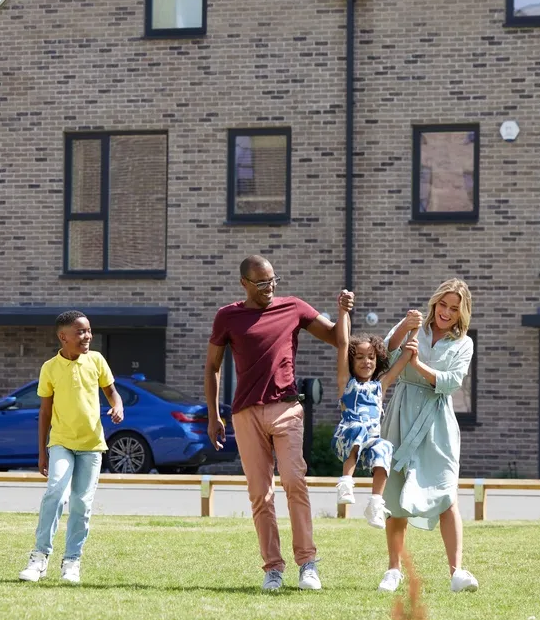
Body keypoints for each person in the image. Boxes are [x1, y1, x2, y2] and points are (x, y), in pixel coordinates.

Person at [205, 254, 355, 592]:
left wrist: (344, 312)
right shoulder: (227, 317)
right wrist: (214, 414)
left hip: (286, 408)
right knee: (260, 494)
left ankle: (308, 564)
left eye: (272, 281)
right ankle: (273, 569)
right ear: (244, 283)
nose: (269, 288)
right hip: (245, 413)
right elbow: (212, 366)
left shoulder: (293, 308)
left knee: (294, 481)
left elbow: (336, 338)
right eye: (261, 283)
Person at [378, 278, 479, 594]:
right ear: (434, 303)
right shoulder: (412, 328)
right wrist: (402, 329)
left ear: (462, 313)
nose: (446, 313)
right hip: (400, 415)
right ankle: (394, 570)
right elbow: (383, 357)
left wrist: (417, 364)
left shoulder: (463, 343)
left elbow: (451, 382)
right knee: (395, 497)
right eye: (443, 305)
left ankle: (457, 572)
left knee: (446, 495)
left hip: (438, 423)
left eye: (454, 308)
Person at [18, 311, 124, 585]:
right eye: (80, 332)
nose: (87, 336)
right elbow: (44, 412)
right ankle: (39, 558)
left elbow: (111, 391)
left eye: (88, 331)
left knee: (81, 503)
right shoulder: (49, 368)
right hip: (61, 442)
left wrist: (117, 406)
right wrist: (42, 451)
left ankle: (72, 562)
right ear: (63, 337)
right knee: (55, 493)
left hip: (91, 445)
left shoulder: (97, 360)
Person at [332, 310, 422, 529]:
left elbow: (403, 360)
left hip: (370, 441)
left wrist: (415, 330)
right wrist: (344, 311)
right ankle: (346, 481)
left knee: (384, 447)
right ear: (351, 362)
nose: (366, 362)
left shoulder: (379, 386)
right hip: (349, 435)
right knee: (359, 429)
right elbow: (343, 343)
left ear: (378, 359)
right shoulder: (347, 383)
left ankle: (375, 503)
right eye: (360, 357)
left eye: (371, 357)